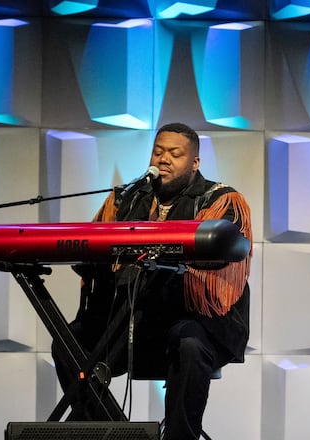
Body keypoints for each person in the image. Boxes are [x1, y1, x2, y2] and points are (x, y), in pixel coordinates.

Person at [52, 122, 252, 440]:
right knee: (69, 342)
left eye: (175, 153)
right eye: (158, 152)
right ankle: (112, 430)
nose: (164, 159)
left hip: (192, 319)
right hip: (132, 320)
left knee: (189, 343)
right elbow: (95, 246)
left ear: (195, 162)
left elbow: (223, 254)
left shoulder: (220, 199)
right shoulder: (126, 200)